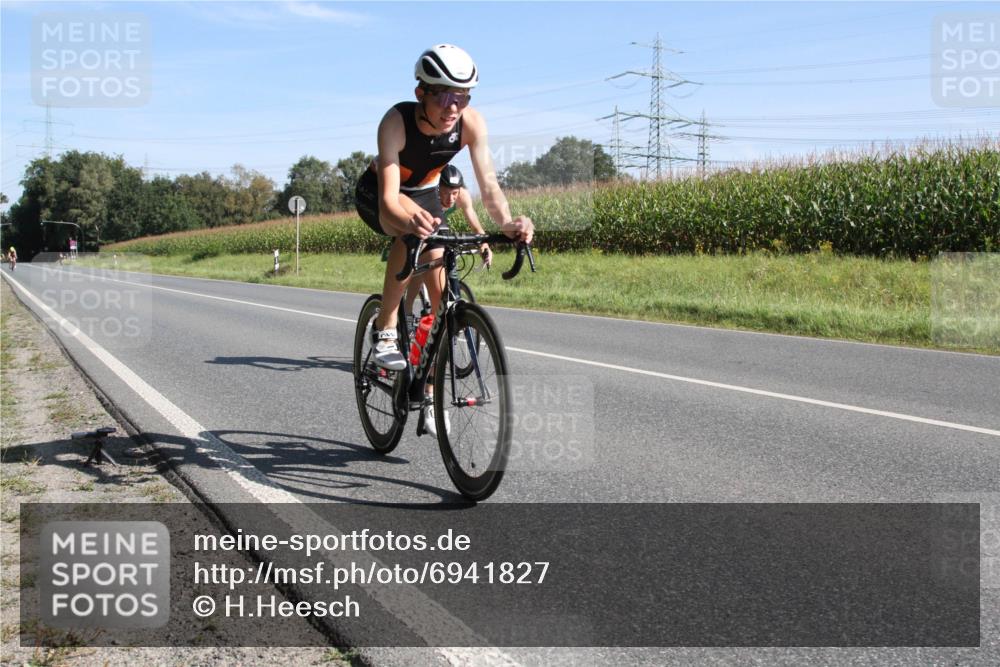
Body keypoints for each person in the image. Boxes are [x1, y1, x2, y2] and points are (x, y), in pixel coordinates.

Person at [355, 44, 533, 435]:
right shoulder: (396, 122)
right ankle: (385, 327)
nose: (454, 107)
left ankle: (430, 393)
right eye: (444, 96)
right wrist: (408, 219)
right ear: (421, 92)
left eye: (463, 97)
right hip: (380, 193)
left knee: (441, 308)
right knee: (411, 231)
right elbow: (390, 201)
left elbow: (489, 187)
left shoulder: (471, 123)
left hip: (423, 193)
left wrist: (507, 222)